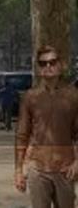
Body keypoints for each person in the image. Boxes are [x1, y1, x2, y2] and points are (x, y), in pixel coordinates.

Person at [14, 45, 78, 208]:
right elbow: (22, 134)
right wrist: (19, 170)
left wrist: (77, 162)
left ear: (61, 64)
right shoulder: (30, 97)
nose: (48, 66)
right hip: (37, 168)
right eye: (43, 63)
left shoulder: (73, 95)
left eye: (52, 62)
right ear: (38, 68)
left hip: (65, 168)